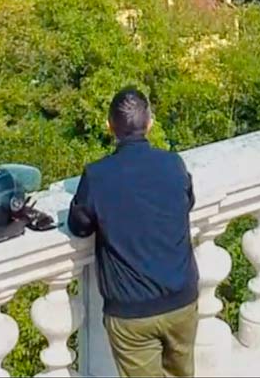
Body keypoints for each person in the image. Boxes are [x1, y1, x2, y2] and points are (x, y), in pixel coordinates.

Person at [67, 87, 199, 378]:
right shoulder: (173, 164)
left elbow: (78, 226)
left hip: (132, 312)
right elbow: (187, 201)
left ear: (109, 126)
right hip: (182, 300)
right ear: (149, 123)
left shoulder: (97, 175)